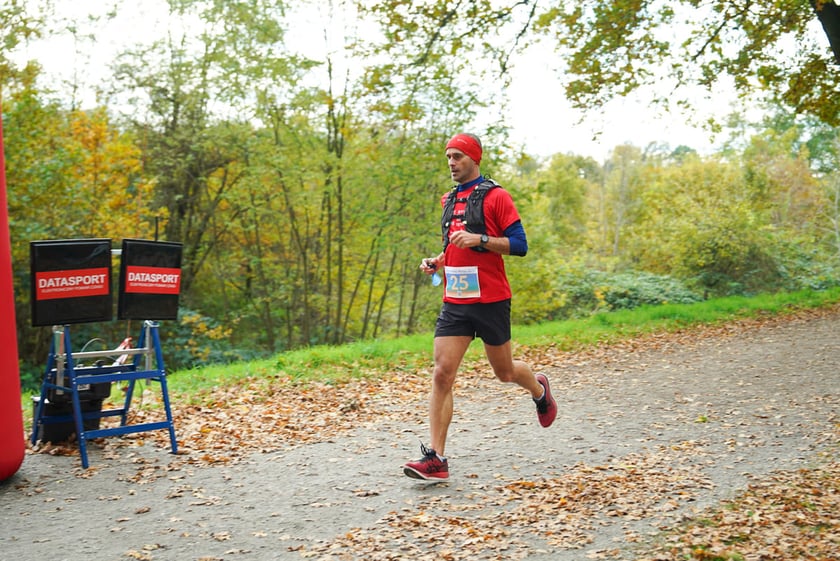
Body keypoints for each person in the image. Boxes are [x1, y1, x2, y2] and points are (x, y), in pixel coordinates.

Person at [403, 133, 557, 482]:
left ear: (474, 158)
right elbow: (456, 246)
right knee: (442, 373)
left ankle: (538, 389)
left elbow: (519, 245)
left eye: (457, 156)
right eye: (447, 157)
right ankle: (436, 459)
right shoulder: (448, 199)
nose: (451, 163)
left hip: (491, 300)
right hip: (456, 301)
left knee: (504, 373)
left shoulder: (496, 197)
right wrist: (438, 261)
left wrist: (481, 240)